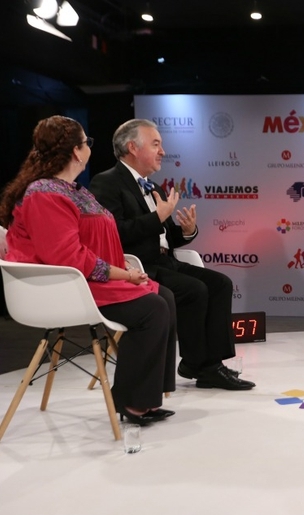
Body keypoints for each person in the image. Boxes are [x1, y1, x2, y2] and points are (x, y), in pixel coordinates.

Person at [0, 115, 177, 426]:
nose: (89, 149)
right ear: (76, 151)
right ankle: (132, 403)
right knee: (152, 308)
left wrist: (121, 264)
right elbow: (67, 256)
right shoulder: (45, 194)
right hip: (63, 287)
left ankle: (148, 398)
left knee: (164, 296)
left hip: (84, 279)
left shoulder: (74, 189)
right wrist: (123, 274)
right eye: (87, 143)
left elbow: (91, 240)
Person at [89, 119, 254, 391]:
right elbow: (114, 233)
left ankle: (212, 363)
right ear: (132, 147)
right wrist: (157, 218)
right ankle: (199, 364)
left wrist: (186, 232)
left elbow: (162, 237)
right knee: (195, 290)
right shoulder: (106, 182)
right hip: (137, 268)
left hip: (165, 261)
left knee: (220, 283)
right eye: (156, 144)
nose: (163, 151)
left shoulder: (154, 187)